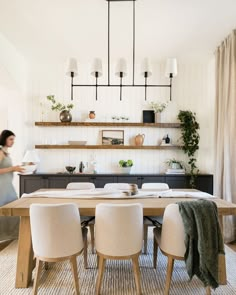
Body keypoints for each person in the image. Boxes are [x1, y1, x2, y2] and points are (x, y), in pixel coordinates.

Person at [0, 130, 25, 241]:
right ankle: (5, 235)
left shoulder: (5, 153)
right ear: (4, 139)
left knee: (13, 208)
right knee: (6, 209)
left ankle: (12, 235)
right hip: (2, 187)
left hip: (7, 185)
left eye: (13, 139)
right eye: (10, 139)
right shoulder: (0, 152)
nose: (13, 141)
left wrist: (16, 168)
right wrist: (13, 168)